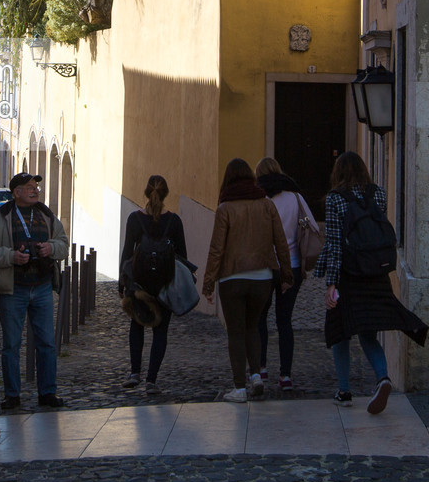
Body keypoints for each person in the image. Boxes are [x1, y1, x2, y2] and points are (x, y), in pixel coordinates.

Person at [315, 150, 427, 414]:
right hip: (376, 275)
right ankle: (383, 377)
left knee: (340, 333)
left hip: (349, 276)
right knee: (368, 331)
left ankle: (344, 391)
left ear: (337, 172)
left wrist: (331, 284)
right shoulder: (377, 193)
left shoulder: (334, 199)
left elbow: (334, 244)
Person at [202, 158, 292, 402]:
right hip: (262, 277)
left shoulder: (225, 209)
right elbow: (281, 243)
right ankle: (255, 376)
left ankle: (239, 387)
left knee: (236, 332)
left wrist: (208, 283)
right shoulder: (266, 205)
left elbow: (216, 249)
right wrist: (286, 275)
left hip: (232, 278)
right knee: (253, 326)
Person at [0, 172, 68, 410]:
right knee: (11, 344)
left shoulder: (46, 214)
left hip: (43, 286)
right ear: (16, 193)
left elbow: (63, 243)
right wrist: (11, 256)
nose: (35, 190)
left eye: (36, 186)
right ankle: (12, 395)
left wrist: (50, 248)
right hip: (13, 288)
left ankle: (47, 392)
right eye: (29, 187)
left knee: (47, 343)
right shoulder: (1, 216)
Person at [120, 174, 186, 394]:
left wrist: (123, 282)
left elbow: (128, 252)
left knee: (137, 324)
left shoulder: (134, 219)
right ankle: (151, 379)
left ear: (146, 193)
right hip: (164, 283)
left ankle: (134, 372)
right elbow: (182, 256)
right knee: (161, 330)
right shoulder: (174, 221)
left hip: (140, 284)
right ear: (166, 194)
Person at [255, 156, 312, 390]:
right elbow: (310, 226)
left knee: (260, 317)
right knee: (284, 320)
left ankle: (261, 368)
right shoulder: (296, 197)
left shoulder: (259, 198)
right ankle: (285, 375)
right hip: (293, 266)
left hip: (266, 266)